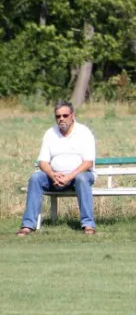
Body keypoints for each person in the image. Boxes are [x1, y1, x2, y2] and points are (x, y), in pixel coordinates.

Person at [17, 100, 97, 236]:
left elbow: (88, 162)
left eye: (65, 115)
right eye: (58, 116)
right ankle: (28, 225)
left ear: (73, 115)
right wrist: (53, 175)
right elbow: (42, 161)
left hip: (78, 176)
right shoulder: (50, 134)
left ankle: (88, 224)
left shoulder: (84, 133)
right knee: (36, 178)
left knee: (82, 179)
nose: (61, 119)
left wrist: (68, 177)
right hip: (55, 177)